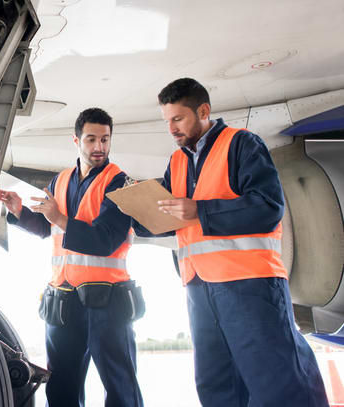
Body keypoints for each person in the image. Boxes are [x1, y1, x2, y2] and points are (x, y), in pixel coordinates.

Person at [131, 77, 328, 406]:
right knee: (216, 384)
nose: (172, 129)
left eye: (178, 119)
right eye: (167, 121)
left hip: (249, 284)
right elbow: (174, 219)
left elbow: (268, 208)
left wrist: (200, 211)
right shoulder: (177, 161)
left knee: (278, 381)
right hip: (198, 287)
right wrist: (138, 212)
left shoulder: (242, 144)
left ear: (203, 110)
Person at [0, 108, 143, 407]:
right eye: (91, 139)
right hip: (62, 301)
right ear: (76, 140)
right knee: (61, 387)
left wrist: (60, 219)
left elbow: (105, 241)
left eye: (105, 139)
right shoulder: (60, 181)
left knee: (120, 388)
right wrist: (19, 212)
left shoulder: (120, 184)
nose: (99, 147)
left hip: (108, 303)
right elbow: (46, 227)